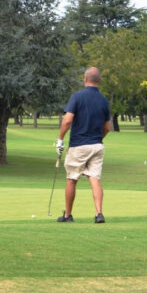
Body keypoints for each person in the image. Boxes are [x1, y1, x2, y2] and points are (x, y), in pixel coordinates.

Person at [55, 67, 111, 223]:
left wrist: (60, 139)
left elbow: (67, 120)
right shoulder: (104, 100)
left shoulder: (77, 97)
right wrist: (99, 137)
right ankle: (99, 214)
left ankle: (68, 215)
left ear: (85, 79)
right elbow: (107, 127)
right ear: (99, 81)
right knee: (95, 178)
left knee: (72, 179)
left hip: (79, 145)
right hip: (97, 146)